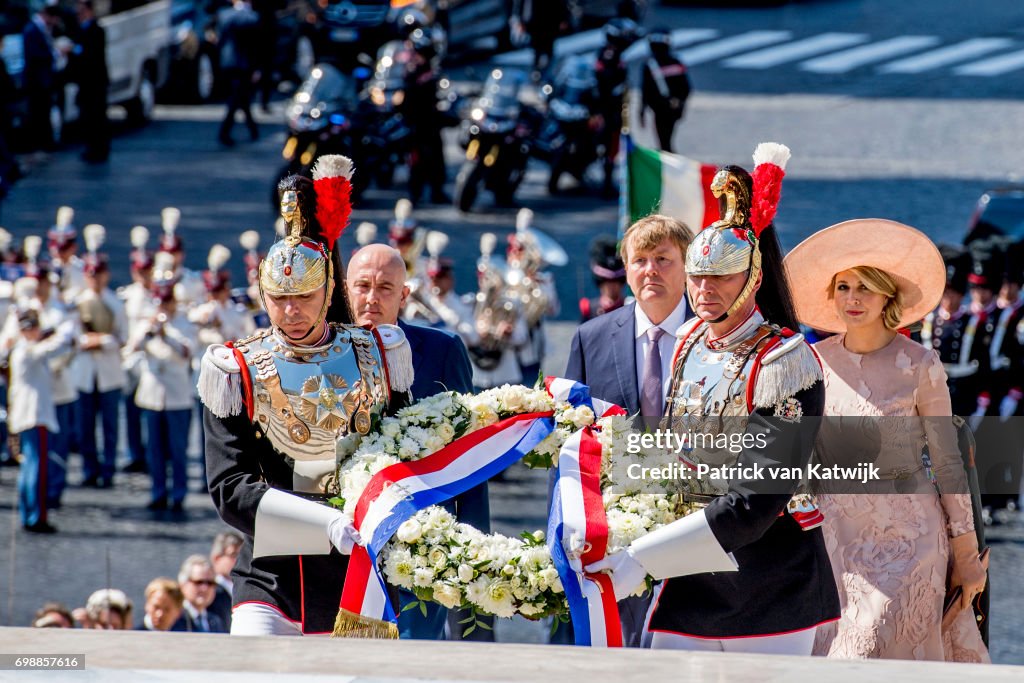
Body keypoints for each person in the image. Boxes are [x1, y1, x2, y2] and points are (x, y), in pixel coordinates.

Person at [586, 144, 840, 655]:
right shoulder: (688, 342)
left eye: (720, 276)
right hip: (688, 576)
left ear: (752, 277)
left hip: (770, 582)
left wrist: (647, 554)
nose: (704, 289)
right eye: (698, 277)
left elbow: (757, 500)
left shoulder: (785, 365)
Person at [199, 156, 413, 636]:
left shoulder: (381, 353)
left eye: (304, 297)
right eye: (279, 299)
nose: (291, 312)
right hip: (270, 578)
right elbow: (229, 487)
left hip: (361, 573)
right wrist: (320, 522)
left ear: (328, 289)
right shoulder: (234, 370)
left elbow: (406, 451)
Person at [785, 218, 990, 662]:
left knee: (866, 652)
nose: (853, 299)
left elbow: (949, 462)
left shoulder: (920, 365)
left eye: (865, 287)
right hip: (835, 546)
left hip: (909, 548)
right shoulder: (811, 363)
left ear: (887, 296)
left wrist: (967, 555)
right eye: (843, 287)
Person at [346, 243, 491, 641]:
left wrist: (472, 543)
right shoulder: (321, 353)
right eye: (362, 286)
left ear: (405, 296)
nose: (372, 298)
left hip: (422, 548)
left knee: (414, 663)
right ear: (345, 290)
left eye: (385, 288)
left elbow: (469, 453)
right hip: (344, 546)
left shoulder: (442, 351)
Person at [561, 215, 690, 646]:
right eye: (640, 260)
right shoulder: (590, 339)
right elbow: (569, 443)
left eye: (663, 259)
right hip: (613, 536)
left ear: (688, 267)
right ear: (626, 269)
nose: (650, 269)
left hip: (695, 532)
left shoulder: (712, 336)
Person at [125, 254, 197, 513]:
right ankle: (158, 492)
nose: (163, 308)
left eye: (167, 302)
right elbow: (131, 349)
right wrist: (148, 332)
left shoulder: (185, 322)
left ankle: (178, 494)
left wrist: (167, 335)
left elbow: (188, 351)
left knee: (178, 450)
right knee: (155, 450)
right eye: (160, 303)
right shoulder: (147, 322)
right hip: (152, 395)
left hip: (177, 395)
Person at [7, 307, 75, 533]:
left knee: (29, 467)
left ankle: (30, 513)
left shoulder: (21, 349)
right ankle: (37, 515)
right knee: (37, 468)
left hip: (27, 416)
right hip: (35, 416)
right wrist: (66, 329)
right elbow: (52, 347)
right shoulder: (27, 350)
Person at [71, 236, 127, 489]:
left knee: (109, 428)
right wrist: (88, 340)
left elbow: (123, 337)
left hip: (108, 372)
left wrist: (102, 341)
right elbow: (71, 336)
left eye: (98, 274)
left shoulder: (115, 303)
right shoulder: (76, 302)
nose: (94, 279)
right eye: (90, 274)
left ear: (106, 275)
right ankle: (89, 469)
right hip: (84, 371)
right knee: (85, 428)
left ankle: (108, 471)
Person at [118, 226, 154, 474]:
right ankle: (134, 453)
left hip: (151, 358)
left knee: (150, 411)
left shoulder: (159, 296)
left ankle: (153, 452)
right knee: (131, 409)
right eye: (139, 270)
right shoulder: (126, 295)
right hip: (131, 357)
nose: (143, 274)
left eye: (146, 270)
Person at [403, 35, 449, 205]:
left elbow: (443, 95)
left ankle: (436, 191)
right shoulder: (409, 73)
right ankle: (415, 192)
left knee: (435, 157)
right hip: (416, 123)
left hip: (430, 123)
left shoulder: (433, 74)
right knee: (416, 160)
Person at [69, 0, 109, 163]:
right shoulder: (82, 30)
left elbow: (91, 55)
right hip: (86, 82)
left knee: (97, 117)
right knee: (88, 117)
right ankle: (92, 147)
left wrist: (75, 51)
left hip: (95, 82)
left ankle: (99, 148)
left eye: (82, 11)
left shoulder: (96, 30)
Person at [21, 2, 63, 156]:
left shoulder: (40, 29)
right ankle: (40, 143)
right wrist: (55, 54)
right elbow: (35, 57)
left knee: (43, 112)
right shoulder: (32, 30)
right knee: (38, 113)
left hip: (42, 80)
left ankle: (45, 142)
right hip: (36, 81)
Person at [217, 0, 260, 146]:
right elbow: (255, 46)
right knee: (237, 98)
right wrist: (256, 68)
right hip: (242, 64)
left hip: (228, 62)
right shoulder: (250, 17)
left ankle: (253, 129)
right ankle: (225, 132)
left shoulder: (225, 15)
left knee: (241, 97)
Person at [640, 30, 690, 153]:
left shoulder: (650, 64)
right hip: (673, 107)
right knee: (667, 138)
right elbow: (686, 87)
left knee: (663, 140)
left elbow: (645, 90)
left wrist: (642, 110)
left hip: (659, 108)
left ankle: (668, 161)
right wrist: (680, 103)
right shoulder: (676, 62)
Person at [579, 234, 628, 323]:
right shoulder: (589, 308)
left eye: (616, 282)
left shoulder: (630, 307)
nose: (612, 287)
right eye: (607, 282)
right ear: (600, 283)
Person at [518, 0, 570, 81]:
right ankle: (537, 74)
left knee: (548, 50)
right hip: (536, 23)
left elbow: (561, 4)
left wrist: (564, 19)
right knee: (537, 51)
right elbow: (524, 6)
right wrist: (522, 21)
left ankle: (547, 74)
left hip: (549, 23)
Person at [176, 555, 228, 633]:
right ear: (182, 584)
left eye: (210, 583)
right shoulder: (174, 618)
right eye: (199, 582)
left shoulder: (216, 622)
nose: (205, 588)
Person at [208, 531, 243, 629]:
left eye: (242, 556)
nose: (239, 560)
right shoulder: (212, 591)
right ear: (217, 558)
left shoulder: (239, 589)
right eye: (234, 554)